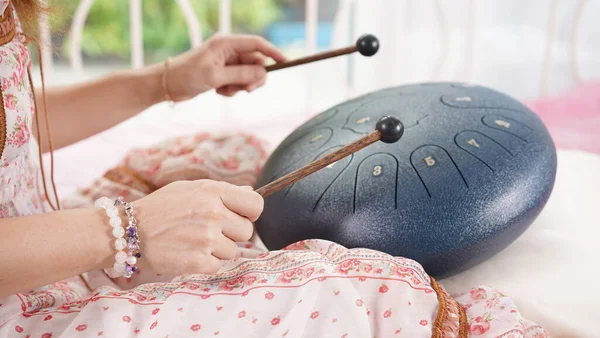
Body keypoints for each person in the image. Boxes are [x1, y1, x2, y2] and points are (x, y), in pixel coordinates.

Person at [0, 1, 550, 337]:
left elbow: (16, 118)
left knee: (229, 156)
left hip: (43, 237)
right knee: (353, 291)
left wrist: (165, 80)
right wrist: (123, 232)